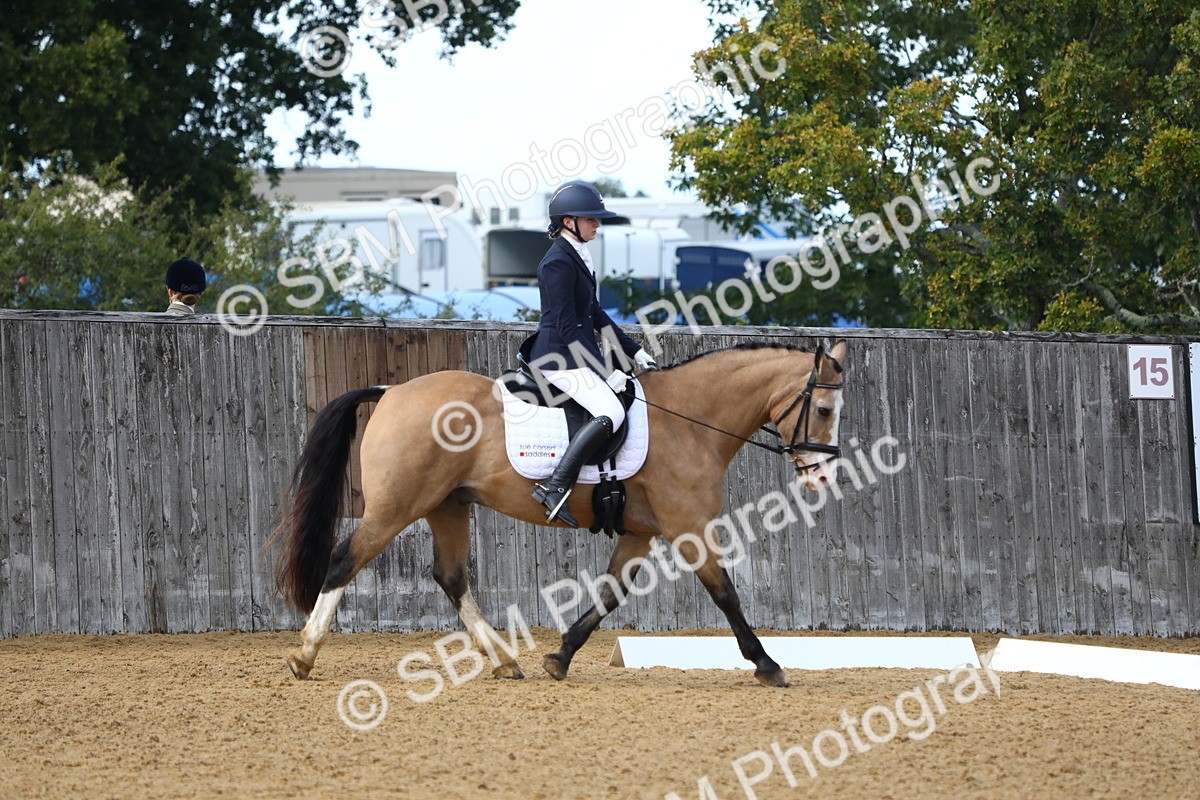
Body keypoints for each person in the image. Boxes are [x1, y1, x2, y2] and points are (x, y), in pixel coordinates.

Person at [524, 181, 657, 526]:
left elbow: (595, 314)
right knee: (610, 410)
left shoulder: (578, 255)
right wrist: (603, 369)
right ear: (568, 221)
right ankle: (555, 486)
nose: (597, 224)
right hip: (556, 357)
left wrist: (634, 350)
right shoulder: (557, 263)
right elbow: (568, 329)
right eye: (591, 219)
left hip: (574, 353)